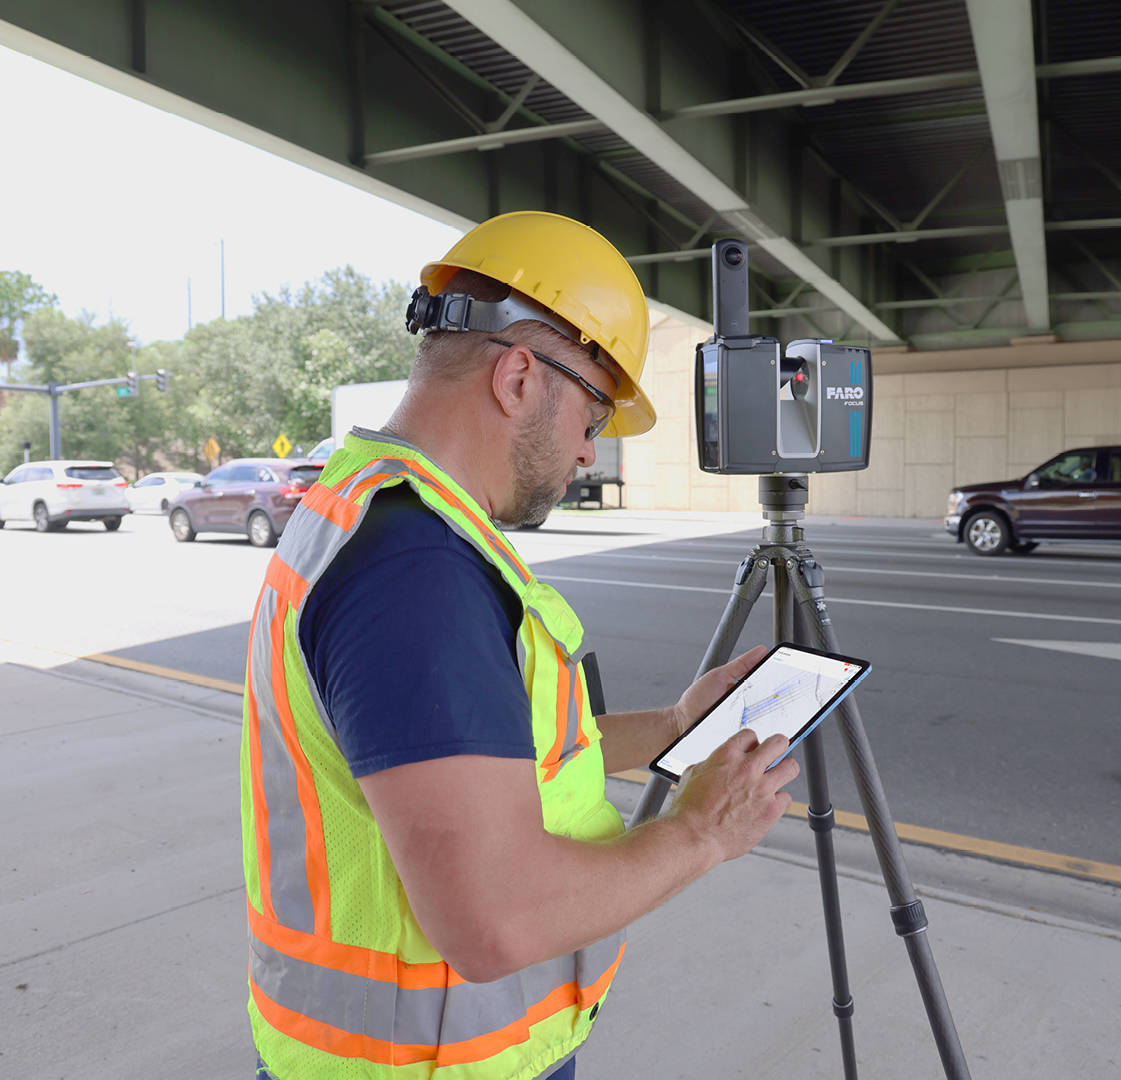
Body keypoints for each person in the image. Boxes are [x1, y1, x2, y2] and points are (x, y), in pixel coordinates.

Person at [241, 210, 799, 1080]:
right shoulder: (414, 571)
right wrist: (702, 833)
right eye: (595, 412)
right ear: (516, 378)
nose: (589, 448)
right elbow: (493, 920)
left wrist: (674, 723)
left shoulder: (381, 515)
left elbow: (494, 757)